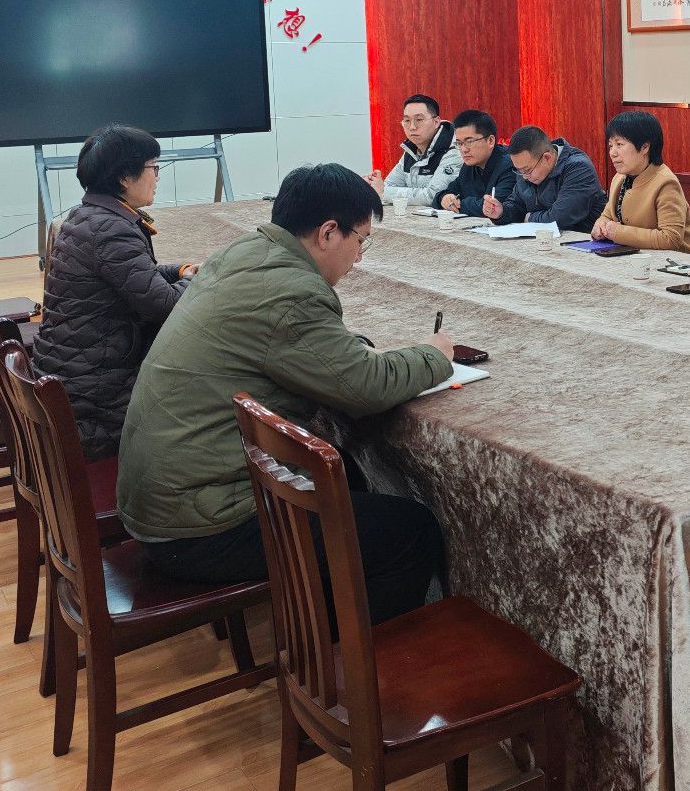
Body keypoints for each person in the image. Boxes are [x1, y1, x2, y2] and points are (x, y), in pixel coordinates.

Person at [117, 163, 455, 624]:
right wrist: (434, 355)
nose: (359, 258)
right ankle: (346, 656)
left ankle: (323, 620)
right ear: (328, 233)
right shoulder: (292, 292)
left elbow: (291, 343)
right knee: (411, 530)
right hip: (199, 526)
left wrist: (343, 347)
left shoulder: (246, 252)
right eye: (361, 240)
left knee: (346, 474)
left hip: (164, 496)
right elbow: (367, 387)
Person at [31, 124, 195, 460]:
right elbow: (163, 305)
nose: (157, 177)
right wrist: (199, 281)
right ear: (124, 177)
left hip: (76, 378)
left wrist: (178, 272)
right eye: (153, 167)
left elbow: (133, 275)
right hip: (98, 404)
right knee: (205, 400)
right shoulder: (111, 229)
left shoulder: (87, 216)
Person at [590, 109, 690, 255]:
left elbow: (671, 238)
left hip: (674, 263)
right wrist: (600, 224)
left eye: (619, 144)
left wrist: (618, 233)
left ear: (645, 147)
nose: (612, 153)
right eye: (610, 145)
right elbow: (608, 215)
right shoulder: (620, 178)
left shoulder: (666, 183)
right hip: (632, 257)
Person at [483, 126, 607, 232]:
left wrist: (530, 218)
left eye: (527, 170)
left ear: (547, 158)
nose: (524, 176)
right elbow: (516, 206)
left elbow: (560, 218)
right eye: (519, 170)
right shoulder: (525, 170)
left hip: (584, 243)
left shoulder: (578, 167)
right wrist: (501, 212)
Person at [366, 94, 461, 208]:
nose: (412, 127)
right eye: (407, 120)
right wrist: (374, 185)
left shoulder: (454, 151)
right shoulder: (411, 150)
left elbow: (432, 196)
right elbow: (388, 185)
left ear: (436, 122)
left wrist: (383, 191)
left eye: (419, 120)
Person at [437, 109, 515, 217]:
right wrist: (444, 198)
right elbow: (450, 190)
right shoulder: (469, 165)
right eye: (459, 143)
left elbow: (492, 207)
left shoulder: (510, 164)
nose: (463, 149)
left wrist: (459, 204)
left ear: (490, 141)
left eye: (469, 142)